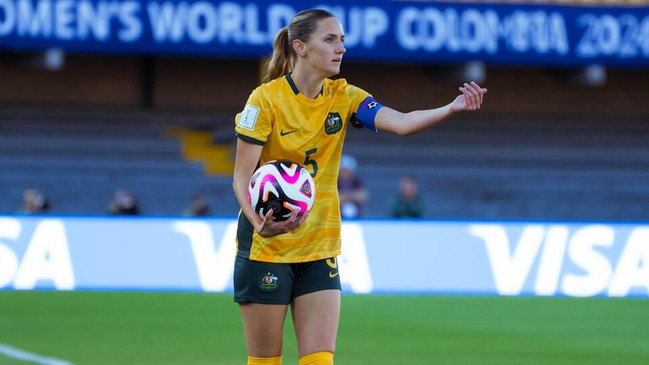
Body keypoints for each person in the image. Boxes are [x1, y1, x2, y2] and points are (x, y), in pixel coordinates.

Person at [231, 8, 487, 365]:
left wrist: (452, 107)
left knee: (320, 361)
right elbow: (242, 178)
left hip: (320, 247)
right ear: (300, 47)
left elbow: (400, 122)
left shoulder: (345, 96)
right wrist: (260, 224)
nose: (341, 49)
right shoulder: (265, 99)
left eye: (343, 41)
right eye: (330, 39)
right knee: (265, 362)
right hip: (266, 247)